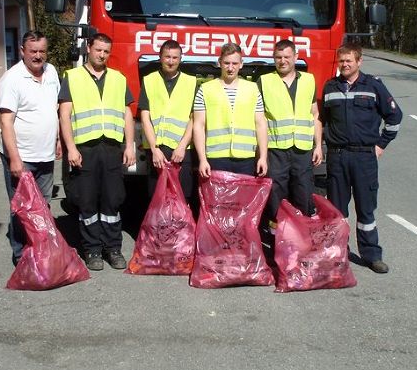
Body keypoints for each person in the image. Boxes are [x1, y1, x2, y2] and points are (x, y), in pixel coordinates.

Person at [321, 43, 402, 274]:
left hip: (364, 157)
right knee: (338, 210)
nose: (345, 64)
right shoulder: (330, 87)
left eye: (349, 60)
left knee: (366, 210)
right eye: (342, 61)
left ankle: (372, 255)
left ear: (359, 61)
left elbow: (395, 116)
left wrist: (381, 144)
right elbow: (323, 121)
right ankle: (339, 252)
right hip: (337, 156)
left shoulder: (374, 86)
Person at [59, 34, 136, 271]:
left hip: (112, 148)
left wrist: (130, 145)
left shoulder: (118, 78)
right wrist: (70, 148)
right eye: (98, 50)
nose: (101, 55)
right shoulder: (72, 77)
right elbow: (64, 115)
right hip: (85, 149)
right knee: (88, 201)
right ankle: (92, 249)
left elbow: (126, 114)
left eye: (106, 51)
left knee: (113, 200)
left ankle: (112, 248)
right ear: (88, 48)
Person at [0, 31, 61, 266]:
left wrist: (57, 140)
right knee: (21, 208)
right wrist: (14, 159)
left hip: (45, 155)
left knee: (43, 206)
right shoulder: (12, 79)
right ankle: (21, 256)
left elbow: (52, 110)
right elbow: (6, 121)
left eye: (42, 51)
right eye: (32, 51)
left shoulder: (52, 72)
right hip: (21, 157)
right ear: (22, 51)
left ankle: (39, 250)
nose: (37, 56)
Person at [258, 39, 322, 226]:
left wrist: (318, 146)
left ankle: (301, 233)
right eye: (278, 57)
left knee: (303, 192)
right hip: (276, 149)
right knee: (275, 193)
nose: (282, 61)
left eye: (287, 56)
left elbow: (315, 114)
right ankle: (276, 234)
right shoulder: (265, 81)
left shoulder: (309, 80)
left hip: (302, 149)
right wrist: (261, 153)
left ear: (295, 57)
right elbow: (259, 119)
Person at [193, 43, 268, 179]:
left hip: (246, 158)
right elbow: (198, 125)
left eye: (234, 63)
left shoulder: (252, 89)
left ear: (241, 64)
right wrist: (202, 159)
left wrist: (262, 157)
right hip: (216, 157)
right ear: (219, 63)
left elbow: (260, 124)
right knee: (217, 200)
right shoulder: (205, 89)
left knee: (243, 200)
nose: (230, 68)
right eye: (226, 63)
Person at [138, 39, 196, 201]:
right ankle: (159, 227)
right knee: (157, 196)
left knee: (182, 196)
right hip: (158, 150)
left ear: (180, 59)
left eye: (175, 58)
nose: (171, 61)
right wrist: (154, 149)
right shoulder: (149, 80)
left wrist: (182, 146)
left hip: (181, 150)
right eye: (167, 57)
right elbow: (145, 118)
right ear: (160, 57)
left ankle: (180, 227)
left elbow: (194, 119)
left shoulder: (191, 82)